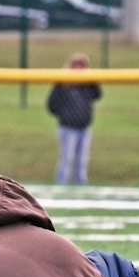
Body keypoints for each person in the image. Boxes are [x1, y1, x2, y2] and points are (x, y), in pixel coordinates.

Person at [47, 52, 102, 185]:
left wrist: (91, 79)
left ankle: (80, 183)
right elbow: (52, 104)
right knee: (67, 157)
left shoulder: (87, 86)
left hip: (84, 127)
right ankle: (62, 182)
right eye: (76, 66)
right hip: (68, 127)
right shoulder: (63, 84)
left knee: (82, 159)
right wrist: (65, 115)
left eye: (82, 66)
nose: (79, 69)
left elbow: (98, 94)